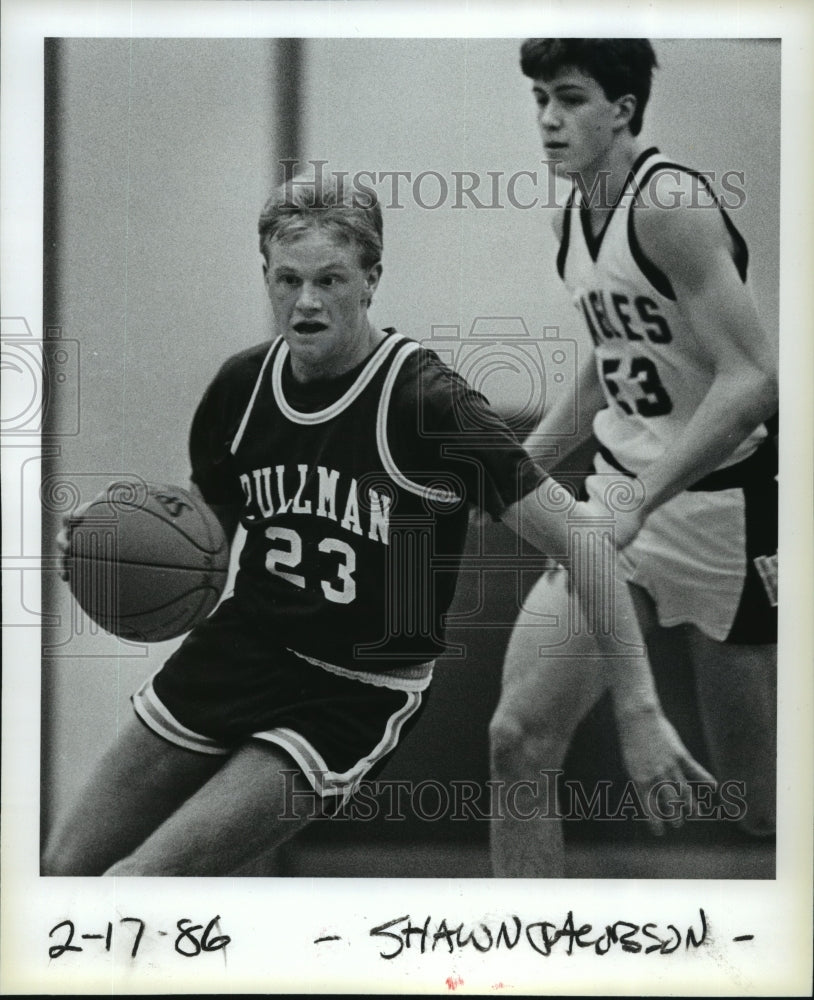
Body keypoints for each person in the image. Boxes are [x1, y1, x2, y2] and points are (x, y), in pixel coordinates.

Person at [43, 167, 705, 877]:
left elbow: (585, 544)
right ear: (265, 275)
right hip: (239, 651)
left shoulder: (429, 403)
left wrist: (640, 713)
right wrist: (113, 536)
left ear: (371, 280)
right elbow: (209, 532)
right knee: (64, 869)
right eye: (287, 279)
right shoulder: (239, 389)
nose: (306, 302)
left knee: (140, 883)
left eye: (329, 280)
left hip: (350, 690)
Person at [489, 38, 778, 877]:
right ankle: (523, 963)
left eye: (570, 98)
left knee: (758, 804)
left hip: (723, 506)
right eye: (540, 97)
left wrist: (644, 495)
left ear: (622, 109)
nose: (548, 118)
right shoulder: (571, 216)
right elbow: (612, 364)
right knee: (518, 738)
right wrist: (513, 466)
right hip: (625, 498)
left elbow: (754, 378)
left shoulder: (670, 204)